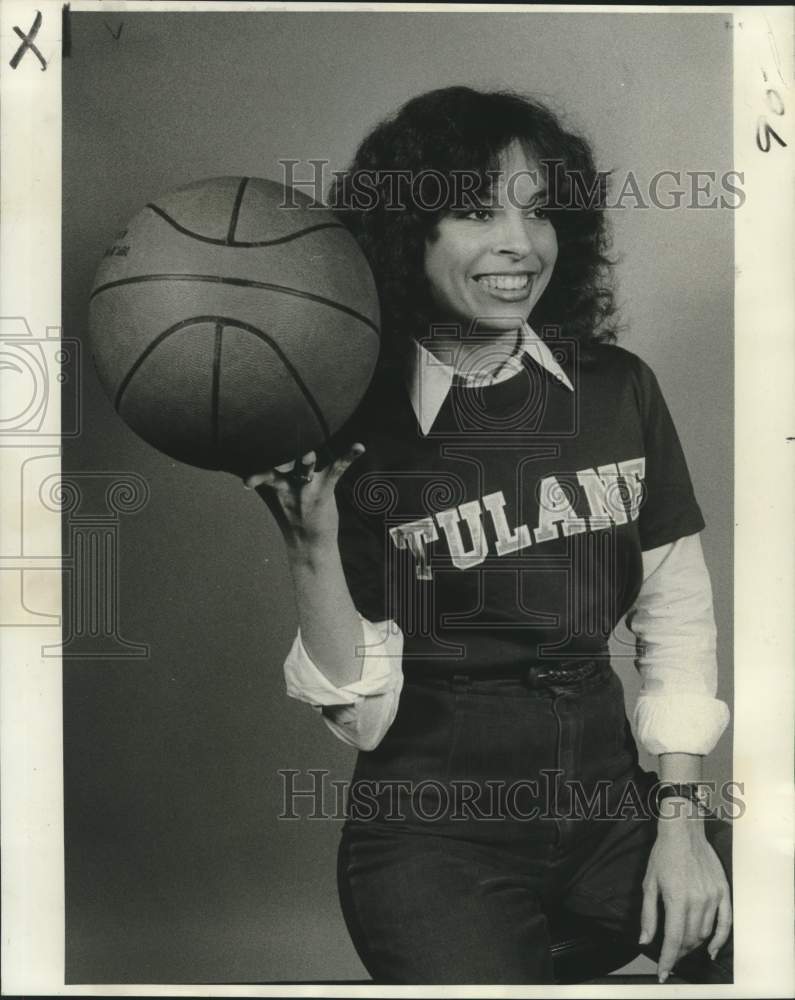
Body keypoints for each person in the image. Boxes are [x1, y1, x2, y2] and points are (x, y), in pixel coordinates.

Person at [245, 86, 733, 985]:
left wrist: (681, 824)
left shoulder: (619, 390)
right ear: (407, 239)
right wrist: (311, 547)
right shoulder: (351, 429)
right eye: (474, 210)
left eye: (538, 210)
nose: (519, 242)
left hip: (615, 816)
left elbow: (677, 626)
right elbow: (361, 716)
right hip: (435, 842)